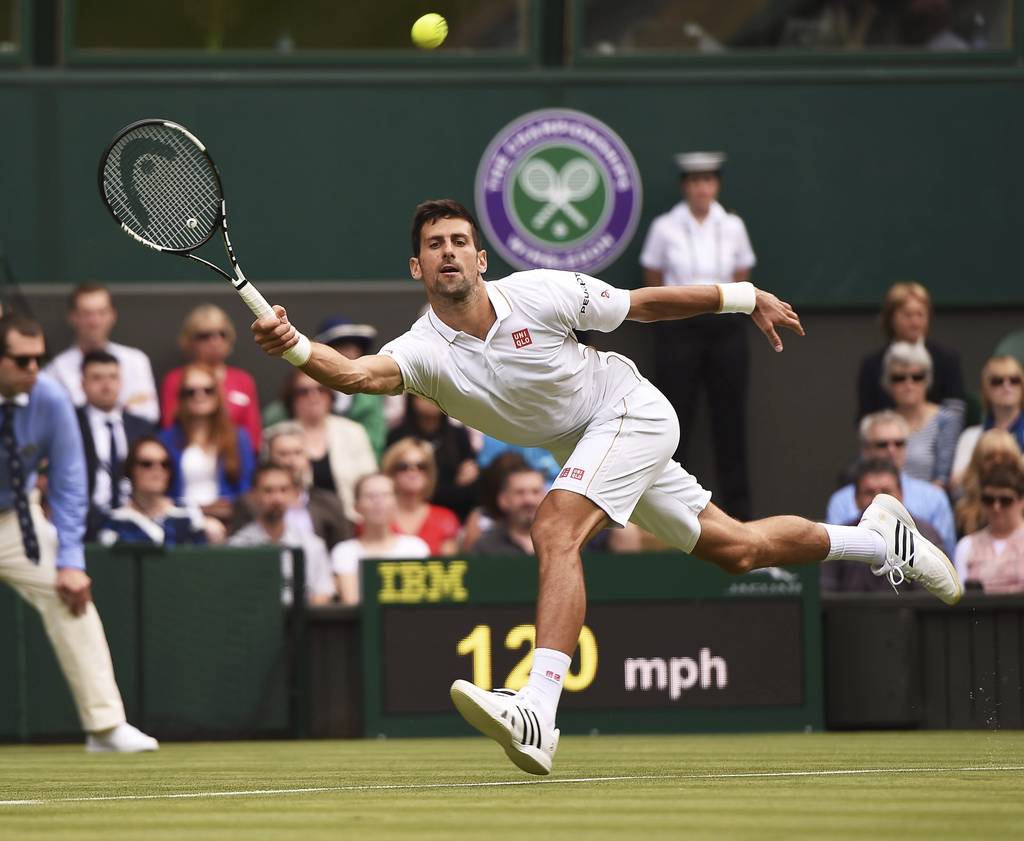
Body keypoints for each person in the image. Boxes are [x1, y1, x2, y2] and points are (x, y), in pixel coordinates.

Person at [251, 198, 961, 776]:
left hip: (630, 411)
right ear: (417, 265)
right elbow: (353, 374)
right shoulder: (421, 351)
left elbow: (644, 304)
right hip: (587, 442)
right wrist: (296, 348)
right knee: (736, 548)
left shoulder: (540, 291)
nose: (448, 251)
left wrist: (743, 297)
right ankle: (876, 537)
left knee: (554, 527)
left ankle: (538, 707)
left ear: (480, 256)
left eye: (459, 240)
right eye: (435, 243)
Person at [0, 313, 157, 752]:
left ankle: (105, 727)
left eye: (39, 359)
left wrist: (72, 560)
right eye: (21, 360)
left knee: (73, 597)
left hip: (15, 518)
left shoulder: (50, 398)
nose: (34, 369)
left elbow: (69, 483)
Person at [639, 151, 757, 520]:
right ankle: (674, 514)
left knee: (730, 421)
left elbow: (742, 273)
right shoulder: (664, 226)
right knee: (674, 418)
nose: (701, 188)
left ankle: (739, 515)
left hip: (726, 327)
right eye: (694, 182)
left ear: (716, 185)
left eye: (707, 181)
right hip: (679, 330)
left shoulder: (733, 225)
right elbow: (652, 275)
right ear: (685, 187)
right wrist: (673, 313)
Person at [826, 410, 956, 554]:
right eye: (882, 444)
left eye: (899, 443)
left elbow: (946, 555)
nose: (891, 450)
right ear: (865, 450)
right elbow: (836, 556)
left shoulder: (934, 497)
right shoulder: (841, 501)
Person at [262, 316, 393, 457]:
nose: (349, 354)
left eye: (354, 348)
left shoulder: (371, 400)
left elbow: (375, 448)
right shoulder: (279, 411)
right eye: (340, 348)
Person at [267, 369, 376, 523]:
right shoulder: (276, 436)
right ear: (291, 398)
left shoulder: (353, 432)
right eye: (303, 391)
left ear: (331, 395)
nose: (314, 397)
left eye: (321, 389)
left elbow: (369, 480)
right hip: (296, 523)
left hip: (351, 521)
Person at [821, 459, 943, 593]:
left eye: (886, 491)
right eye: (868, 492)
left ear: (901, 495)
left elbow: (935, 596)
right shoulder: (841, 536)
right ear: (856, 499)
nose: (878, 499)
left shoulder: (926, 534)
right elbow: (824, 592)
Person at [44, 284, 159, 423]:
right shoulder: (56, 369)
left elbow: (148, 414)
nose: (95, 322)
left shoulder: (136, 360)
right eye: (86, 314)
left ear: (113, 315)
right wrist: (124, 405)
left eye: (102, 313)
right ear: (72, 317)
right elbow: (58, 421)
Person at [232, 422, 352, 552]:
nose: (291, 461)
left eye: (298, 453)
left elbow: (343, 551)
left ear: (308, 458)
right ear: (268, 458)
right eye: (283, 454)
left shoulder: (329, 503)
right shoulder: (250, 503)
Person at [228, 463, 336, 606]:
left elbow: (323, 594)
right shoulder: (237, 547)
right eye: (268, 491)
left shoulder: (312, 545)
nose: (277, 498)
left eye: (284, 490)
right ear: (253, 495)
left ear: (294, 494)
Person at [856, 281, 964, 421]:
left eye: (920, 314)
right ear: (891, 318)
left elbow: (955, 409)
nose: (915, 322)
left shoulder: (946, 359)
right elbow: (865, 417)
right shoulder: (872, 365)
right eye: (907, 315)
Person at [75, 350, 155, 540]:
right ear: (82, 384)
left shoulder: (142, 428)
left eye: (113, 377)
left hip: (136, 519)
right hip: (82, 522)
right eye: (97, 378)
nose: (106, 385)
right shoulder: (69, 425)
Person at [159, 363, 254, 522]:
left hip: (228, 521)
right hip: (180, 520)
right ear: (182, 397)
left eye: (208, 390)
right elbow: (163, 492)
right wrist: (196, 510)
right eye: (191, 392)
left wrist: (225, 507)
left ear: (218, 394)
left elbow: (246, 487)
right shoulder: (166, 440)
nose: (199, 396)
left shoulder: (238, 437)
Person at [160, 304, 261, 451]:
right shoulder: (176, 379)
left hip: (237, 462)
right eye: (204, 335)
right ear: (189, 341)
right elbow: (170, 427)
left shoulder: (243, 380)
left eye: (222, 334)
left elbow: (254, 436)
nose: (215, 341)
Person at [98, 437, 221, 547]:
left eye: (165, 464)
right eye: (147, 464)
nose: (157, 470)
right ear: (131, 470)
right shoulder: (116, 522)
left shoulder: (188, 513)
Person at [332, 472, 429, 605]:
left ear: (396, 502)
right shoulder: (344, 551)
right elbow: (351, 602)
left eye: (385, 495)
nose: (378, 502)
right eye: (370, 496)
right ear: (357, 506)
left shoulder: (416, 547)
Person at [880, 341, 963, 486]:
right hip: (884, 502)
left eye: (917, 377)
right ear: (888, 383)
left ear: (927, 380)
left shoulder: (945, 419)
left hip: (929, 504)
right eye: (899, 378)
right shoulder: (880, 423)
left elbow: (943, 479)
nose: (909, 384)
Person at [387, 394, 480, 521]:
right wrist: (452, 488)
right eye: (423, 395)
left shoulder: (458, 435)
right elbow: (390, 479)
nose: (431, 401)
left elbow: (470, 485)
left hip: (455, 513)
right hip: (405, 510)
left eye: (436, 394)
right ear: (412, 399)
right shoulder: (397, 436)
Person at [951, 355, 1024, 490]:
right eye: (997, 381)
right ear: (986, 389)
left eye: (1014, 380)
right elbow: (956, 484)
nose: (1006, 385)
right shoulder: (971, 436)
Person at [381, 436, 460, 556]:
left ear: (430, 474)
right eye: (403, 467)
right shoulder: (376, 517)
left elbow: (450, 568)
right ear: (391, 473)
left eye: (421, 466)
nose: (413, 472)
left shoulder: (445, 518)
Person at [954, 463, 1024, 592]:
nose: (996, 507)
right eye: (989, 500)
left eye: (1005, 500)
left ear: (1021, 501)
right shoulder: (966, 545)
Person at [954, 428, 1023, 537]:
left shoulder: (1020, 502)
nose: (998, 462)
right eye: (990, 457)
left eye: (1004, 457)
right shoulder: (965, 511)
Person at [474, 466, 546, 555]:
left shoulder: (562, 539)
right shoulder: (486, 547)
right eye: (520, 492)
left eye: (535, 492)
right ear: (503, 500)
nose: (529, 500)